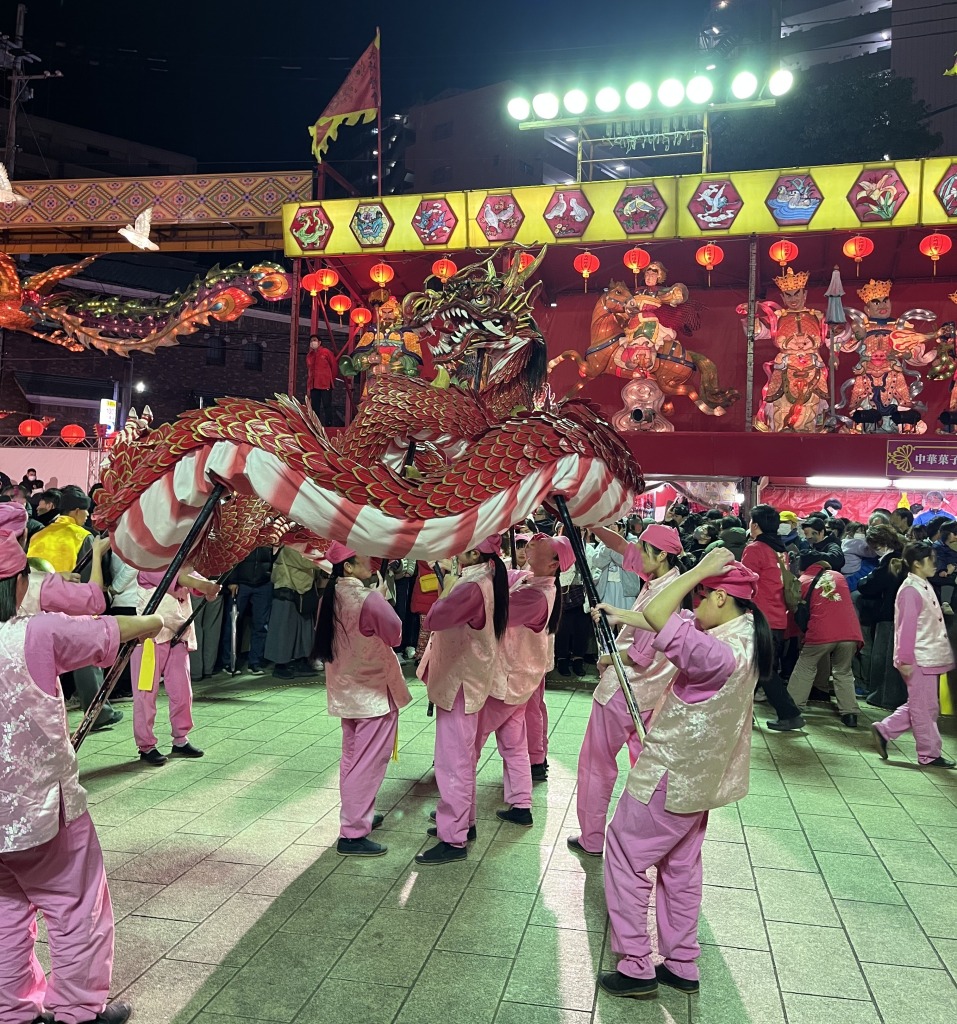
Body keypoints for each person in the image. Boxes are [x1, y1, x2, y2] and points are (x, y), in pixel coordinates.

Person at [0, 527, 163, 1024]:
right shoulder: (35, 633)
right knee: (76, 905)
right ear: (17, 583)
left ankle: (12, 1010)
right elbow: (107, 631)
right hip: (42, 811)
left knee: (4, 912)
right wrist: (155, 620)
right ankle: (77, 1011)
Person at [597, 548, 771, 998]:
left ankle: (636, 965)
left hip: (669, 774)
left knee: (625, 854)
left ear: (720, 598)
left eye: (703, 596)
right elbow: (664, 620)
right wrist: (621, 614)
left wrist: (699, 569)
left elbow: (660, 614)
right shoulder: (746, 636)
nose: (696, 605)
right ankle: (681, 962)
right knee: (680, 868)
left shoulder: (715, 654)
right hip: (702, 780)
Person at [568, 524, 685, 858]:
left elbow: (639, 655)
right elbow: (622, 546)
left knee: (596, 763)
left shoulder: (664, 595)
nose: (635, 557)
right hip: (653, 695)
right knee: (644, 768)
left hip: (624, 690)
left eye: (643, 551)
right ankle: (643, 836)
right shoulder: (669, 578)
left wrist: (605, 658)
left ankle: (593, 837)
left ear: (661, 555)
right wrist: (592, 522)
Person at [464, 534, 569, 832]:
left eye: (539, 544)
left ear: (554, 564)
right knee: (513, 744)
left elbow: (492, 612)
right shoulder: (531, 581)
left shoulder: (536, 596)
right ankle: (521, 804)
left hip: (507, 681)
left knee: (469, 744)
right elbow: (506, 574)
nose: (531, 544)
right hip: (518, 680)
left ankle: (459, 808)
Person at [415, 535, 509, 866]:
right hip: (468, 680)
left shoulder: (470, 586)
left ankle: (453, 838)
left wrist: (447, 586)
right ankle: (462, 823)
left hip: (460, 683)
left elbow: (434, 618)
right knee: (463, 758)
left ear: (472, 552)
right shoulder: (486, 578)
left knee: (452, 763)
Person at [314, 542, 412, 856]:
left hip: (346, 690)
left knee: (353, 758)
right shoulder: (367, 599)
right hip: (373, 693)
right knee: (367, 764)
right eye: (362, 557)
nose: (370, 560)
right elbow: (395, 634)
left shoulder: (330, 597)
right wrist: (381, 598)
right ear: (349, 567)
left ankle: (357, 814)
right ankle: (353, 831)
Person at [872, 541, 956, 768]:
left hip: (926, 656)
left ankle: (884, 730)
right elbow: (905, 628)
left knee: (923, 704)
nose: (935, 563)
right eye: (931, 559)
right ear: (917, 563)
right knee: (925, 707)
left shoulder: (920, 585)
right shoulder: (911, 590)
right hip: (919, 657)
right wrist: (905, 658)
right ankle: (929, 754)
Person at [130, 565, 220, 766]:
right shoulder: (148, 563)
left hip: (178, 638)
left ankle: (181, 739)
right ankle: (146, 746)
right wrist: (204, 586)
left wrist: (209, 587)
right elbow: (179, 579)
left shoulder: (182, 564)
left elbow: (194, 580)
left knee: (182, 692)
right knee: (145, 696)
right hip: (148, 640)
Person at [740, 504, 807, 732]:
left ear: (756, 525)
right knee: (758, 669)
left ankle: (789, 713)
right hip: (778, 617)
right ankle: (744, 714)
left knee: (762, 669)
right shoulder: (781, 550)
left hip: (760, 617)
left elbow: (745, 583)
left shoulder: (755, 549)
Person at [785, 552, 863, 727]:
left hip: (822, 631)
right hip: (849, 631)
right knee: (843, 671)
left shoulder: (802, 581)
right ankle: (850, 714)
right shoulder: (838, 576)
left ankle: (792, 709)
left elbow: (795, 612)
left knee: (806, 666)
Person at [857, 525, 908, 710]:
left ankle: (882, 696)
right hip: (900, 613)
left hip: (888, 613)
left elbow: (869, 585)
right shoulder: (903, 557)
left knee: (883, 656)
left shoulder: (890, 561)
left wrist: (863, 581)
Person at [265, 545, 321, 678]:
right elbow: (306, 562)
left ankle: (301, 661)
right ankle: (280, 665)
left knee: (303, 629)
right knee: (283, 630)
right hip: (287, 590)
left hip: (303, 591)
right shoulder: (288, 547)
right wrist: (326, 559)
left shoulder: (303, 545)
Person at [221, 545, 274, 674]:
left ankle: (255, 662)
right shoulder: (243, 533)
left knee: (261, 625)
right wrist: (232, 580)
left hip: (264, 583)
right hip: (241, 583)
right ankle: (229, 662)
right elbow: (232, 554)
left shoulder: (269, 535)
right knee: (232, 624)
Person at [26, 490, 92, 573]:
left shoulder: (38, 534)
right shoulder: (83, 536)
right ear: (77, 511)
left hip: (36, 581)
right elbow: (87, 573)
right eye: (86, 510)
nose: (88, 514)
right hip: (66, 581)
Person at [306, 334, 339, 425]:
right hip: (314, 384)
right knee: (315, 407)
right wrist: (309, 386)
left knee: (327, 405)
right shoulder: (310, 356)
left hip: (325, 384)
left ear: (319, 342)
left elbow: (334, 367)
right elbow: (309, 371)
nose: (313, 342)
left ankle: (328, 424)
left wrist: (330, 379)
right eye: (311, 341)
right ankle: (316, 425)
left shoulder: (326, 352)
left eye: (314, 340)